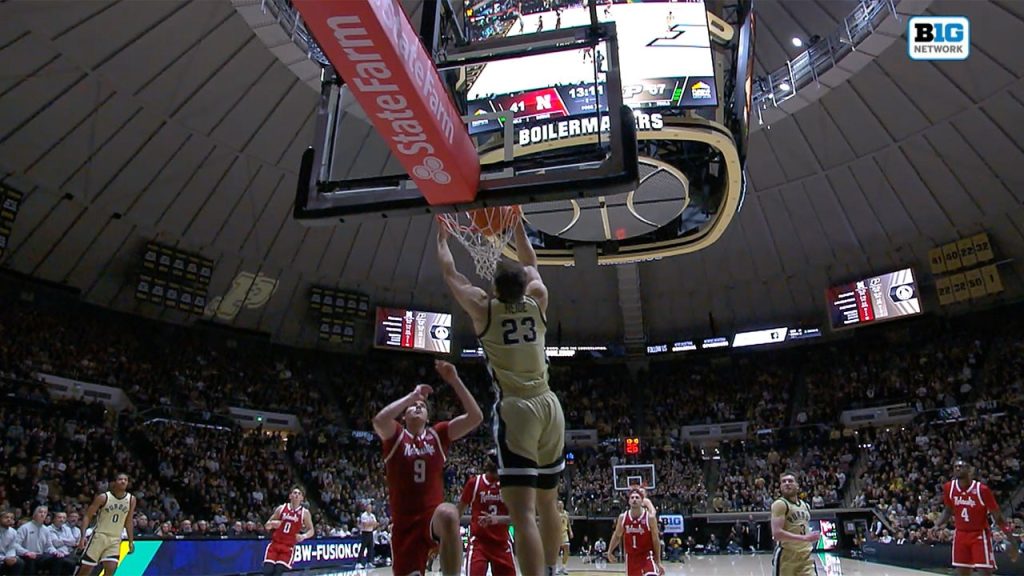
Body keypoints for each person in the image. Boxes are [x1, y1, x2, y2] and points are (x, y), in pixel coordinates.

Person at [438, 216, 566, 576]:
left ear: (494, 288)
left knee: (523, 512)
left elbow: (452, 275)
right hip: (550, 405)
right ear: (524, 287)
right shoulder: (538, 300)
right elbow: (531, 263)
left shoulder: (483, 307)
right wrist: (518, 226)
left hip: (518, 410)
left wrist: (442, 238)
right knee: (549, 503)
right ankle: (553, 569)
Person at [372, 360, 483, 576]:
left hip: (432, 520)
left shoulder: (437, 435)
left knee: (450, 513)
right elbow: (379, 420)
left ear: (428, 418)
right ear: (404, 415)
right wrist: (411, 397)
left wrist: (454, 380)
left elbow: (476, 417)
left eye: (422, 406)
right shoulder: (395, 435)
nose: (417, 406)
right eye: (413, 406)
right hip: (404, 526)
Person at [936, 459, 1019, 575]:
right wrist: (937, 525)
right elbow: (948, 510)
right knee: (962, 572)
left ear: (970, 470)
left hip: (979, 534)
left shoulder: (982, 490)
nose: (958, 468)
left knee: (984, 572)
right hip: (960, 534)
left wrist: (1012, 540)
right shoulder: (949, 488)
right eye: (956, 467)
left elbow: (998, 517)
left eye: (962, 466)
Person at [457, 451, 515, 576]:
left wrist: (497, 519)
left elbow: (517, 518)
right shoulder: (475, 483)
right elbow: (458, 513)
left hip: (501, 542)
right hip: (479, 542)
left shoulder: (508, 486)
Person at [76, 473, 136, 576]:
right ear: (114, 483)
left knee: (111, 569)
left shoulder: (131, 499)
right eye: (120, 479)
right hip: (99, 536)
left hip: (115, 539)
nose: (123, 481)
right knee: (86, 570)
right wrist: (82, 537)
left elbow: (129, 521)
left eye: (125, 480)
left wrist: (131, 541)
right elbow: (87, 516)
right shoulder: (103, 497)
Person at [770, 471, 820, 576]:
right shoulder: (780, 504)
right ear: (780, 486)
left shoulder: (805, 505)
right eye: (784, 481)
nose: (787, 483)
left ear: (797, 485)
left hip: (806, 556)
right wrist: (805, 538)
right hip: (787, 556)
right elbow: (777, 534)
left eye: (790, 481)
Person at [606, 490, 664, 576]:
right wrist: (610, 551)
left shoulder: (649, 518)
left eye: (637, 497)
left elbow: (655, 540)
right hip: (631, 558)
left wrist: (658, 561)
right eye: (632, 497)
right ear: (629, 501)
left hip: (646, 556)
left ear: (642, 501)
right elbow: (617, 536)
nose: (634, 499)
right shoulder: (623, 517)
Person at [262, 486, 314, 576]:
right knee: (267, 571)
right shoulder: (281, 508)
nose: (296, 495)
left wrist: (303, 536)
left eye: (299, 493)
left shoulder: (304, 513)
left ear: (302, 498)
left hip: (288, 547)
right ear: (290, 496)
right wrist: (272, 524)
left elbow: (311, 530)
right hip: (275, 544)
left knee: (278, 571)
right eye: (294, 493)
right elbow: (267, 525)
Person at [356, 502, 378, 569]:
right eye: (368, 508)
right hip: (365, 533)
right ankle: (358, 563)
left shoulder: (372, 515)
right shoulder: (363, 515)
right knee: (362, 548)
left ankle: (369, 562)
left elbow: (376, 524)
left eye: (370, 508)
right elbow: (365, 525)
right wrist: (371, 523)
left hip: (370, 532)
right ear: (366, 508)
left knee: (370, 548)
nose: (369, 509)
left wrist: (370, 524)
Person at [1, 510, 22, 576]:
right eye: (6, 517)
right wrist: (4, 558)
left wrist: (10, 558)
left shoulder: (13, 532)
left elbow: (12, 548)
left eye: (11, 518)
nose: (9, 519)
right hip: (2, 557)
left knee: (19, 562)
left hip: (6, 557)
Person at [557, 501, 572, 575]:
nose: (560, 505)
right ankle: (556, 567)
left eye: (561, 504)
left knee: (567, 550)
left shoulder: (566, 513)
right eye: (559, 504)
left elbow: (568, 523)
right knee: (555, 551)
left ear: (563, 505)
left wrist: (571, 531)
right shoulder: (555, 513)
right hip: (556, 533)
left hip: (564, 533)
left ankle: (564, 567)